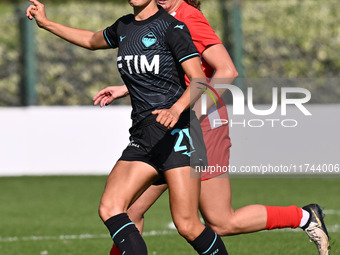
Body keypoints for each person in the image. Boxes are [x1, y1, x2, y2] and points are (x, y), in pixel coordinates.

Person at [93, 1, 331, 255]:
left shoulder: (188, 17)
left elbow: (227, 70)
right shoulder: (158, 18)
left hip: (200, 126)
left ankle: (304, 216)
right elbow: (170, 74)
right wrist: (127, 88)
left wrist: (191, 112)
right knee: (129, 211)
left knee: (220, 221)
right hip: (168, 128)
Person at [26, 0, 230, 254]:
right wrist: (46, 24)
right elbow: (91, 40)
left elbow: (199, 79)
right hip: (144, 138)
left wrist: (176, 109)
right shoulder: (124, 26)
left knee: (187, 225)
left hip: (177, 135)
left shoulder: (172, 27)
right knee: (111, 207)